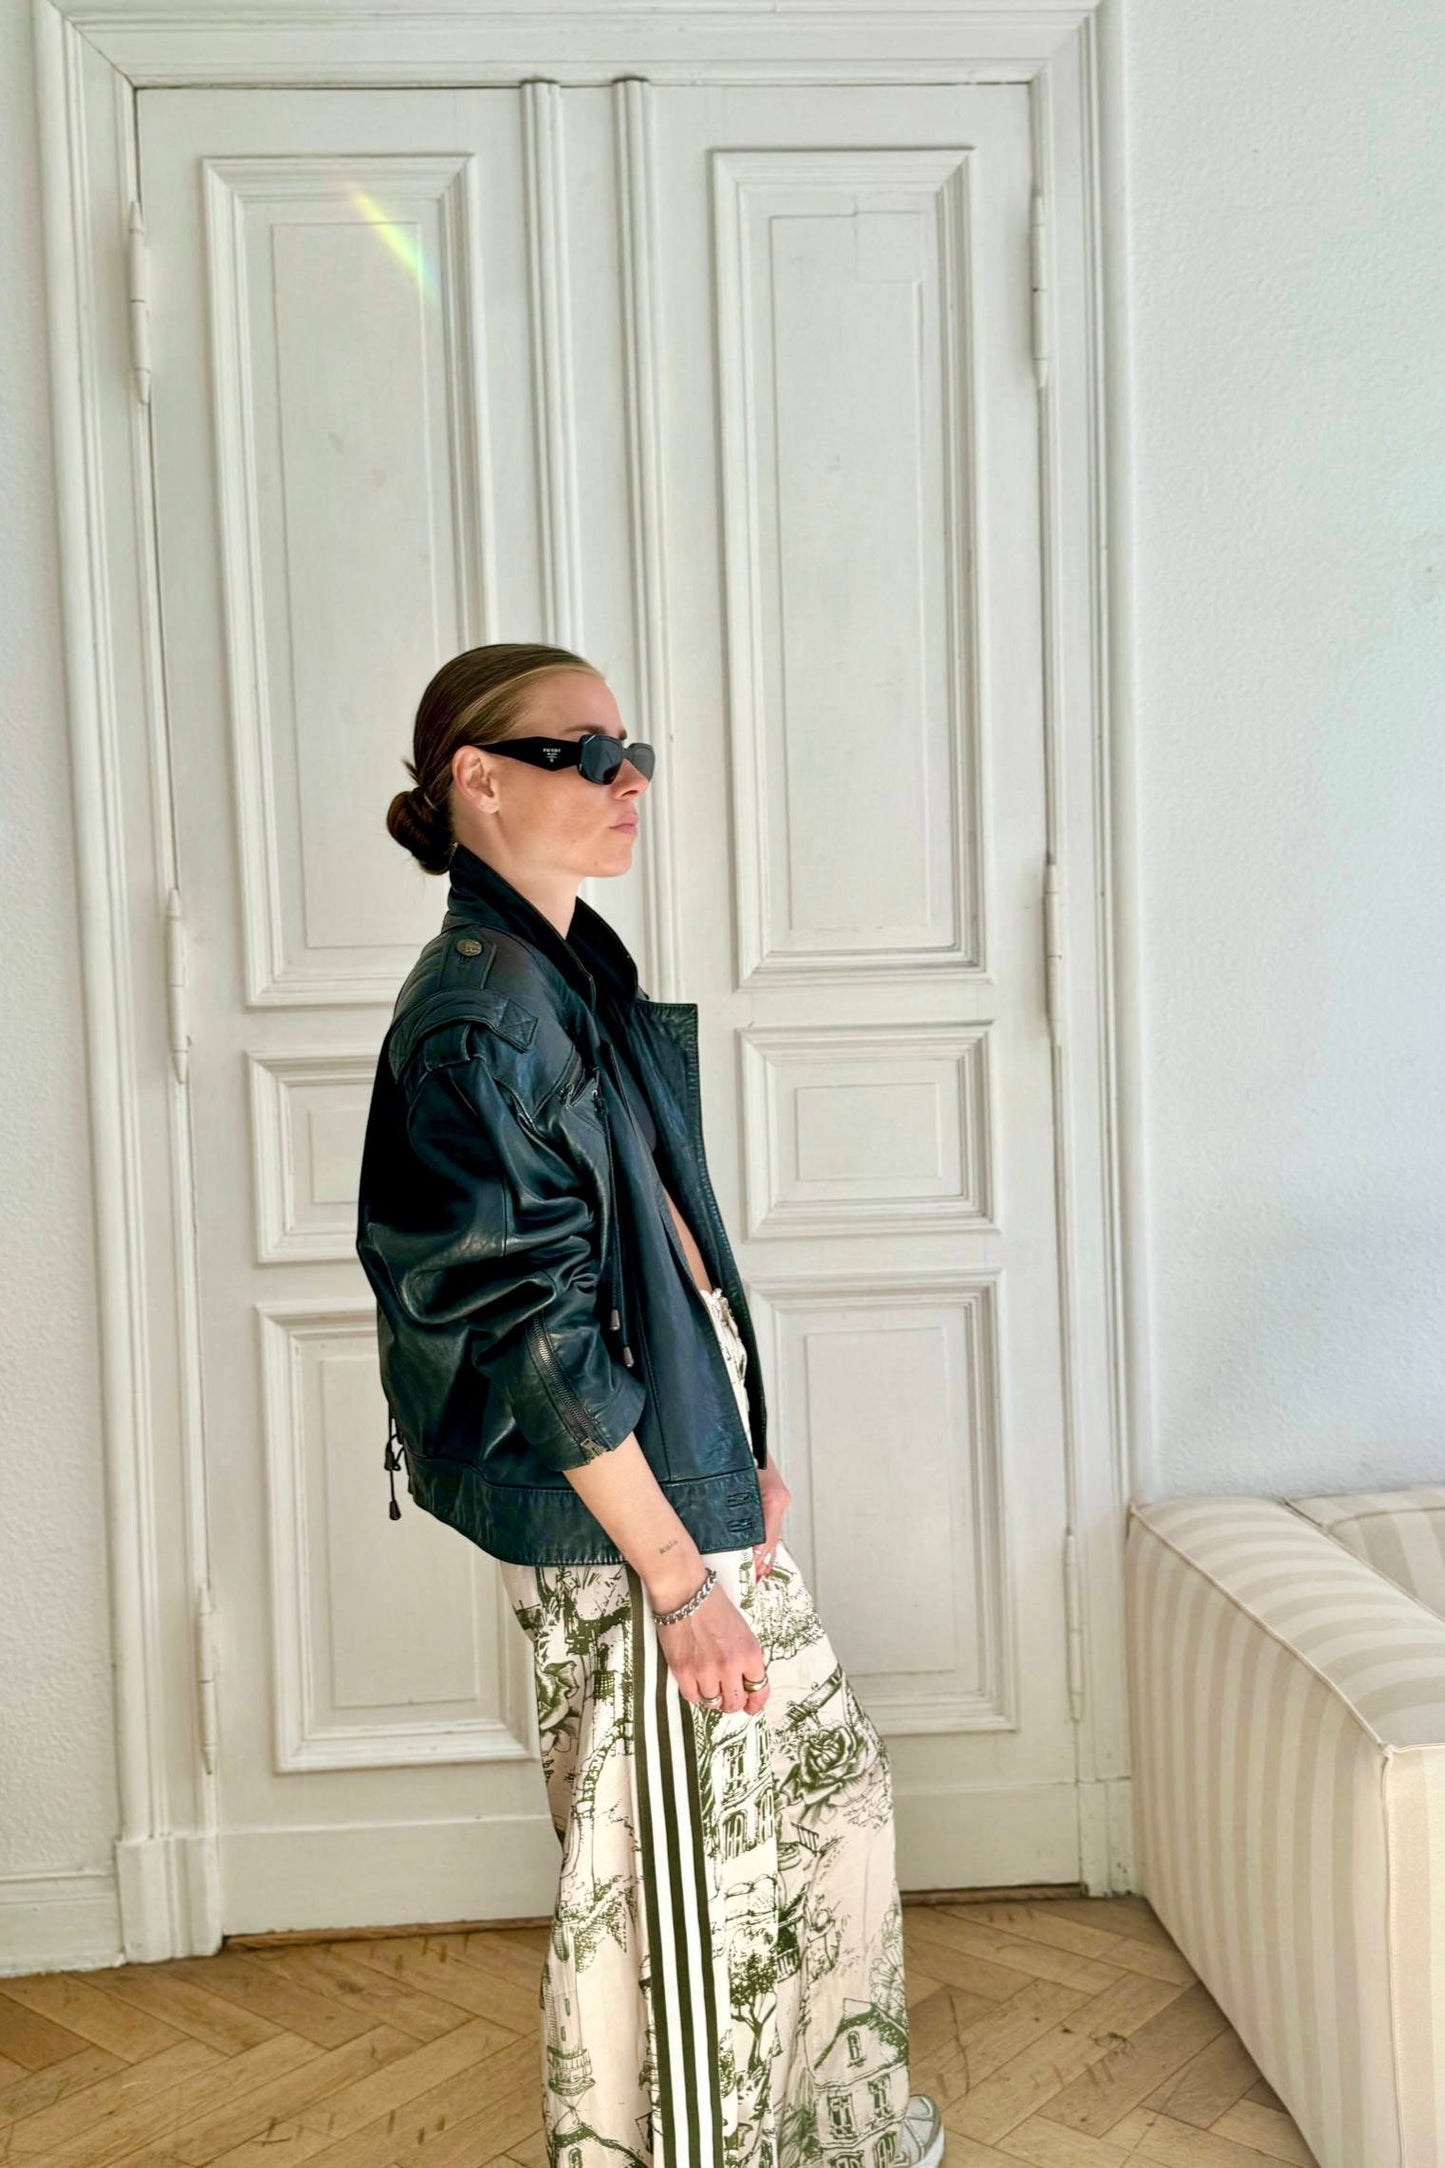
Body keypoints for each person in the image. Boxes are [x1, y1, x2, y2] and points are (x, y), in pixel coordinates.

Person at [356, 642, 945, 2168]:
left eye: (633, 750)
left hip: (674, 1481)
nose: (628, 780)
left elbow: (656, 1239)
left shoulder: (564, 966)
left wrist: (733, 1456)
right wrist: (679, 1579)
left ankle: (815, 2140)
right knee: (683, 1908)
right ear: (478, 781)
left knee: (812, 1828)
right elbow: (533, 1333)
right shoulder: (480, 1020)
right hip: (627, 1531)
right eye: (584, 752)